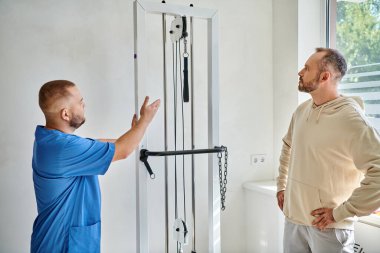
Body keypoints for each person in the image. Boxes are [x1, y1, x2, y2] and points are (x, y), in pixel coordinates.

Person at [31, 80, 160, 253]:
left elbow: (103, 145)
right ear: (65, 114)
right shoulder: (63, 149)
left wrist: (134, 134)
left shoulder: (51, 140)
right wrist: (145, 121)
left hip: (63, 241)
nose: (84, 104)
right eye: (79, 101)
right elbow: (122, 151)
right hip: (60, 245)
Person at [276, 48, 380, 253]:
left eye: (306, 68)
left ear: (325, 76)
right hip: (294, 221)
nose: (300, 72)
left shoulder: (352, 120)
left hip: (330, 228)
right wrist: (281, 186)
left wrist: (341, 213)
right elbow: (288, 146)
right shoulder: (302, 110)